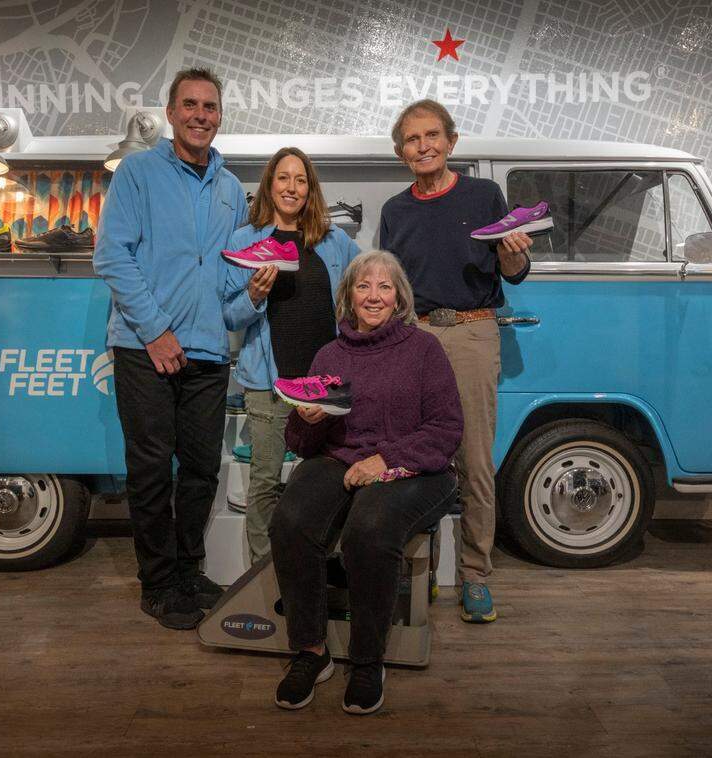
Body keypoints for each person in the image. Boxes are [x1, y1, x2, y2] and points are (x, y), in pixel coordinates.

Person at [269, 250, 463, 715]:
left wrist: (386, 460)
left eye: (384, 287)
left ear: (399, 298)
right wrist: (309, 419)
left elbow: (445, 430)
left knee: (369, 531)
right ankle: (311, 653)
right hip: (342, 458)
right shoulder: (329, 354)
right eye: (363, 286)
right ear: (348, 296)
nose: (373, 296)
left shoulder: (425, 350)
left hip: (414, 465)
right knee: (290, 522)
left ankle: (367, 660)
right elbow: (300, 441)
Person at [93, 68, 248, 630]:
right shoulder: (137, 172)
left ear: (220, 114)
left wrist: (251, 290)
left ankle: (187, 569)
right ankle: (157, 583)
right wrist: (156, 332)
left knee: (203, 468)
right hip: (144, 347)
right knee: (153, 469)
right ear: (170, 111)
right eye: (190, 104)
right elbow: (112, 256)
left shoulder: (231, 189)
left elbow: (229, 273)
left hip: (208, 351)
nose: (200, 115)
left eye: (210, 106)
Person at [379, 99, 532, 624]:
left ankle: (475, 575)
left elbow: (513, 270)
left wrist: (514, 254)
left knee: (473, 460)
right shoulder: (395, 211)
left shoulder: (485, 195)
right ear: (401, 151)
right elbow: (391, 287)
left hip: (471, 333)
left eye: (432, 136)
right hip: (415, 336)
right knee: (411, 456)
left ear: (451, 141)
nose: (423, 146)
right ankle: (418, 570)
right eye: (412, 139)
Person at [223, 147, 359, 565]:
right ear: (270, 184)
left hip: (324, 386)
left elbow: (358, 303)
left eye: (300, 180)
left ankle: (324, 566)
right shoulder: (243, 241)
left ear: (310, 189)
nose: (292, 187)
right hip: (269, 383)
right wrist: (254, 295)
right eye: (283, 177)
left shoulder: (335, 241)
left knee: (331, 480)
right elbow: (230, 315)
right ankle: (265, 575)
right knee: (265, 482)